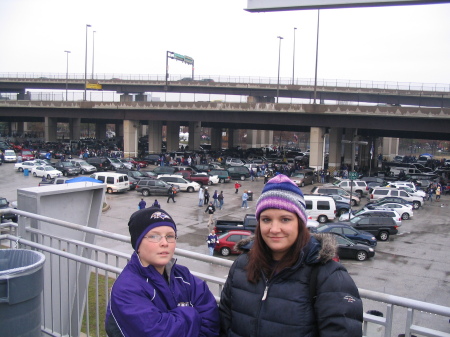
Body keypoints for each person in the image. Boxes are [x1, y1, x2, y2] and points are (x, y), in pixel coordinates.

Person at [219, 174, 363, 336]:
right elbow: (224, 325)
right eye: (266, 220)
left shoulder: (328, 276)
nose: (274, 229)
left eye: (285, 219)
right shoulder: (241, 265)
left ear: (300, 223)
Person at [105, 208, 220, 337]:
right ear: (137, 243)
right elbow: (158, 333)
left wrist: (173, 320)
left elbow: (211, 323)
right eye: (154, 236)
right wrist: (192, 314)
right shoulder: (126, 288)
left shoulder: (184, 277)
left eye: (170, 236)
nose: (164, 243)